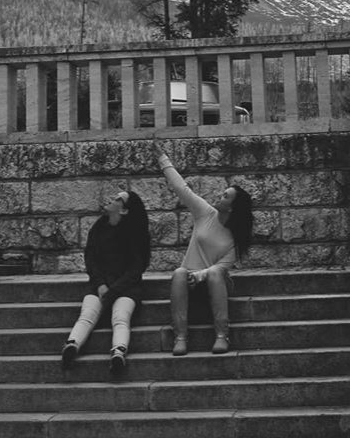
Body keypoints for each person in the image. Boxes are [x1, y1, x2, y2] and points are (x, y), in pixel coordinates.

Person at [154, 140, 253, 356]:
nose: (220, 196)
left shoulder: (236, 238)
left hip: (215, 283)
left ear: (233, 208)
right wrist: (163, 159)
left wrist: (200, 275)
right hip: (189, 281)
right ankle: (180, 337)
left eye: (225, 196)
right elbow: (182, 189)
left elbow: (221, 268)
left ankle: (221, 335)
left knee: (217, 272)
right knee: (179, 272)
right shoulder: (206, 213)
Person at [61, 189, 151, 375]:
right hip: (100, 285)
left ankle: (118, 352)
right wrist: (100, 284)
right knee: (87, 314)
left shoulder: (134, 234)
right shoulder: (99, 228)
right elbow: (91, 260)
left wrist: (113, 291)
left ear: (124, 210)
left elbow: (136, 269)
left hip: (126, 287)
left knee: (120, 317)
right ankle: (72, 345)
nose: (112, 199)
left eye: (118, 199)